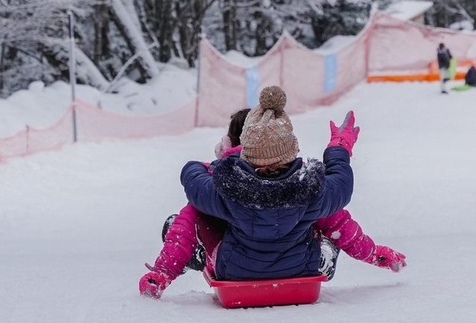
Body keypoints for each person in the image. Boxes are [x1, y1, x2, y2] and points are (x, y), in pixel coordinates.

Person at [139, 88, 405, 297]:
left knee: (194, 212)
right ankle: (324, 255)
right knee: (327, 217)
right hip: (301, 268)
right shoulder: (309, 188)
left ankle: (165, 272)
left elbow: (191, 175)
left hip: (236, 272)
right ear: (290, 149)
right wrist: (339, 146)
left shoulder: (227, 188)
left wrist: (222, 162)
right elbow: (342, 191)